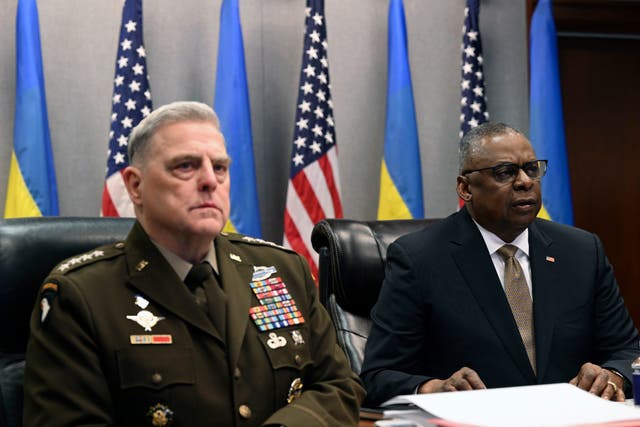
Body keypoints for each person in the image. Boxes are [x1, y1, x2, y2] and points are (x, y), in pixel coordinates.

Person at [23, 101, 364, 426]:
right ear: (135, 186)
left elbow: (338, 386)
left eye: (219, 167)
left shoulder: (281, 269)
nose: (209, 181)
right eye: (185, 165)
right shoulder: (81, 295)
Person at [360, 122, 640, 406]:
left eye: (532, 169)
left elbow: (629, 351)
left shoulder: (581, 251)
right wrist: (435, 388)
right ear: (465, 188)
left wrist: (613, 376)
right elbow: (378, 376)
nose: (525, 182)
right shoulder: (419, 259)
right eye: (505, 172)